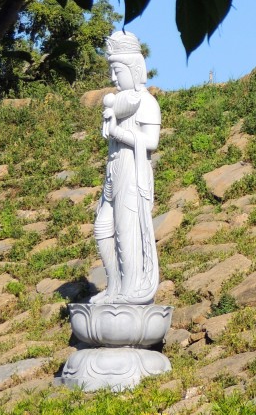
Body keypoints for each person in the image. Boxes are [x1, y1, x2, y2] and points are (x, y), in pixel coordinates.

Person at [90, 31, 161, 305]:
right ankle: (114, 286)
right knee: (103, 226)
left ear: (134, 69)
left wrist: (118, 132)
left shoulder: (147, 103)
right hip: (114, 169)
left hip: (133, 171)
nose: (112, 78)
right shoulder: (119, 104)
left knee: (126, 230)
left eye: (116, 71)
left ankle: (130, 290)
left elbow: (151, 142)